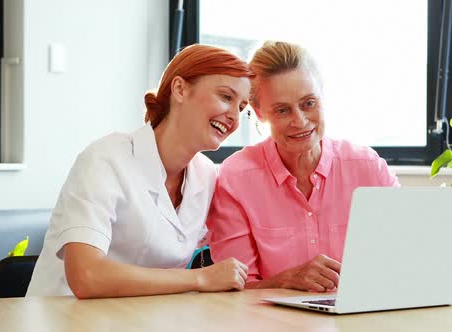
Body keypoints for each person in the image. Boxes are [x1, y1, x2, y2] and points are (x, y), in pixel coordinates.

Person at [26, 44, 253, 298]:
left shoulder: (207, 175)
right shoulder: (106, 159)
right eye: (226, 97)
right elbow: (86, 276)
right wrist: (199, 278)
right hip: (66, 319)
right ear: (180, 89)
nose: (234, 116)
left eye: (242, 108)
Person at [206, 41, 400, 293]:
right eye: (282, 110)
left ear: (322, 96)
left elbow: (403, 255)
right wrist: (285, 280)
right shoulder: (236, 178)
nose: (300, 121)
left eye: (308, 103)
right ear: (259, 112)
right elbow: (235, 289)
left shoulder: (368, 168)